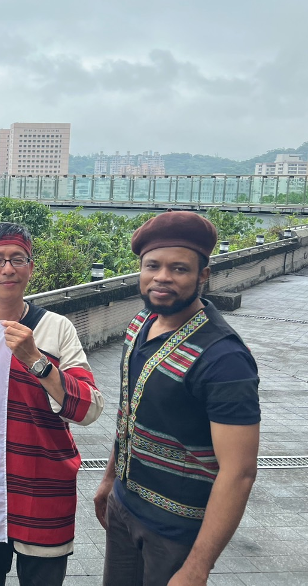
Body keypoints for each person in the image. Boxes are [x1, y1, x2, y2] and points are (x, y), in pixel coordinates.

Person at [93, 211, 260, 586]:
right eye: (152, 265)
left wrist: (197, 567)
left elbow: (240, 472)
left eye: (179, 269)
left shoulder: (224, 358)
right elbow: (129, 414)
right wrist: (108, 480)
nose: (162, 277)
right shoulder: (141, 324)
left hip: (177, 532)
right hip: (124, 507)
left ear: (203, 274)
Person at [0, 222, 104, 586]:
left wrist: (37, 361)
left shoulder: (56, 328)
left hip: (42, 485)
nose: (7, 269)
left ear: (31, 266)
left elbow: (90, 408)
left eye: (17, 259)